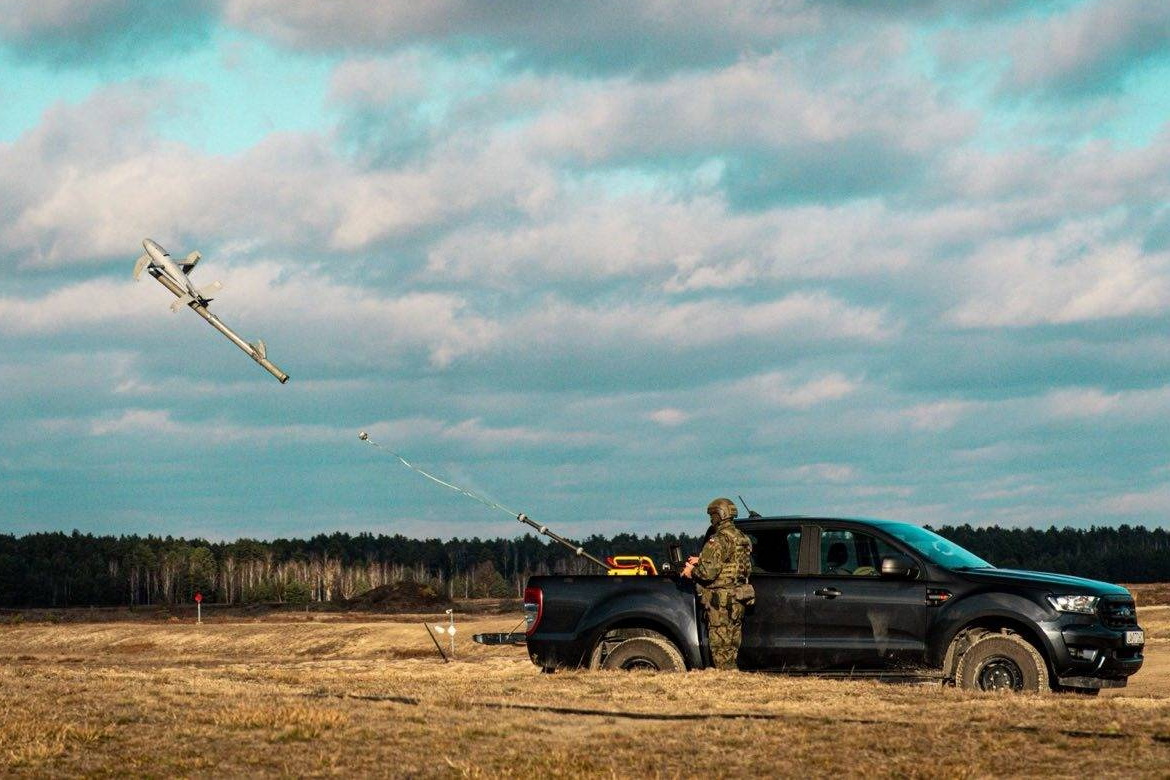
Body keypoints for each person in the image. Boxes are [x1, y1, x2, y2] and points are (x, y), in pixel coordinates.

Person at [682, 497, 754, 670]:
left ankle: (725, 679)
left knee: (720, 646)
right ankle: (730, 674)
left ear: (719, 515)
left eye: (712, 515)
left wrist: (691, 572)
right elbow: (733, 563)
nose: (711, 519)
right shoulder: (741, 538)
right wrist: (701, 559)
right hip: (738, 597)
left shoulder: (719, 539)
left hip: (721, 601)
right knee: (732, 644)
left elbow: (707, 574)